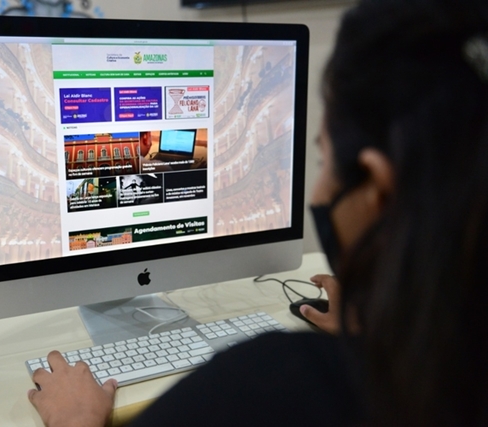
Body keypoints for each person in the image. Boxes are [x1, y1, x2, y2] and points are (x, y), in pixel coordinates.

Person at [28, 0, 488, 425]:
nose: (318, 188)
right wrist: (380, 328)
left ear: (379, 193)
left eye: (323, 159)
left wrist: (76, 420)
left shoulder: (276, 384)